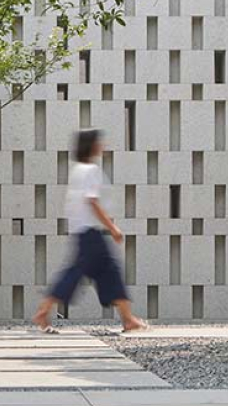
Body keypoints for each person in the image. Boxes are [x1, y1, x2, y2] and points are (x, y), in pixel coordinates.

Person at [34, 128, 149, 333]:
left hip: (81, 231)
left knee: (103, 272)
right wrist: (112, 227)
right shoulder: (91, 171)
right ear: (91, 145)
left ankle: (128, 319)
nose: (102, 145)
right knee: (90, 272)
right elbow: (92, 202)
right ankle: (44, 311)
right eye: (99, 142)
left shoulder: (78, 169)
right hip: (90, 232)